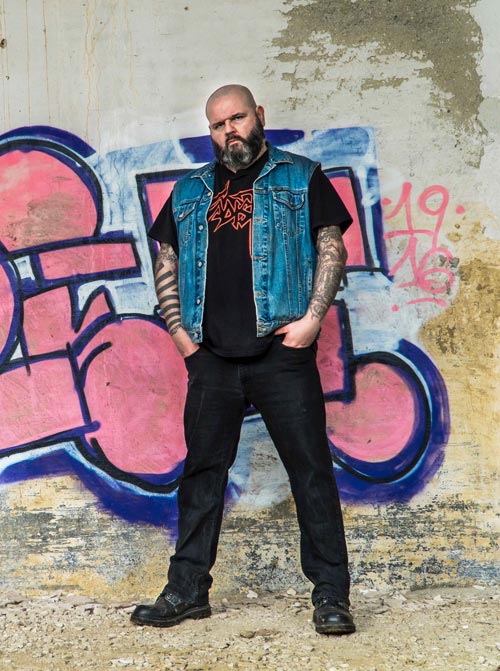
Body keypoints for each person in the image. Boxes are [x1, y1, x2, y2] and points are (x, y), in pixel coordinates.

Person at [131, 84, 355, 635]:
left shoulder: (301, 176)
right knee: (202, 475)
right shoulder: (189, 190)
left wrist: (311, 321)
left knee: (311, 473)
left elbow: (332, 246)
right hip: (211, 358)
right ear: (210, 132)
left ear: (258, 116)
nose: (228, 130)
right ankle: (187, 590)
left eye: (236, 118)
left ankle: (331, 594)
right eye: (217, 124)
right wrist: (181, 337)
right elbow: (167, 258)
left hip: (281, 356)